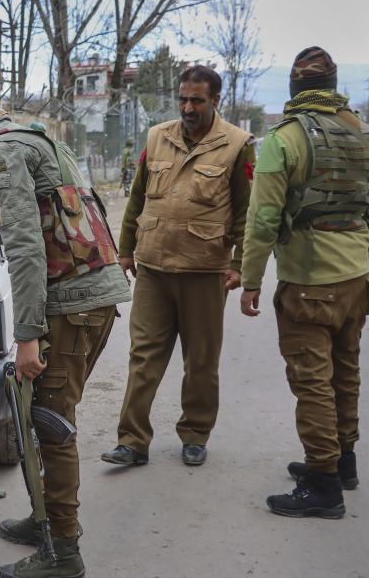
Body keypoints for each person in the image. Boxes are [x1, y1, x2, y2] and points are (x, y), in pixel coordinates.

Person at [0, 98, 131, 578]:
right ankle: (45, 519)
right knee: (45, 418)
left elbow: (25, 249)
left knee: (52, 424)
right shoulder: (33, 137)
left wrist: (27, 336)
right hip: (92, 298)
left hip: (72, 305)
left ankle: (63, 553)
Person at [239, 47, 369, 518]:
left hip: (309, 283)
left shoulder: (283, 140)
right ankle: (342, 461)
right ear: (333, 84)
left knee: (313, 383)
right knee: (345, 372)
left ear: (294, 87)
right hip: (355, 279)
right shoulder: (364, 134)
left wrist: (250, 281)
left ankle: (324, 485)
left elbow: (263, 219)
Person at [101, 65, 255, 468]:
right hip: (153, 267)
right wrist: (125, 250)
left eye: (197, 100)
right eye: (183, 99)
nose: (188, 107)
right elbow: (137, 200)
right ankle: (132, 441)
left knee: (201, 360)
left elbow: (246, 213)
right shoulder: (157, 136)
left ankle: (195, 433)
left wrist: (240, 264)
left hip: (205, 270)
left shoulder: (237, 143)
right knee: (144, 356)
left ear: (215, 100)